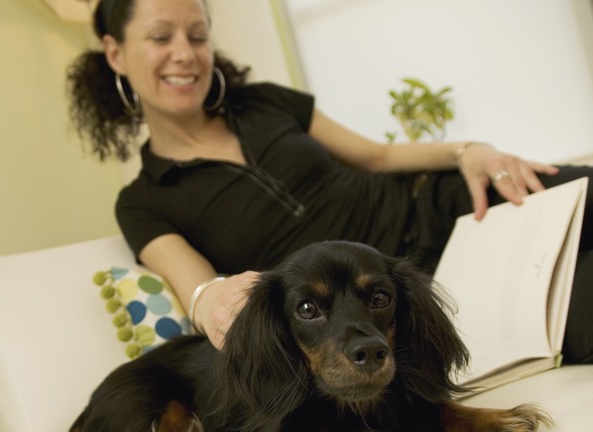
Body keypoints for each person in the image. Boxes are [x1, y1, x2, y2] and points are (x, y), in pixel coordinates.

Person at [67, 0, 593, 363]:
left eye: (198, 36)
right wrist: (210, 300)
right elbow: (200, 289)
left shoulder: (265, 101)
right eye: (161, 36)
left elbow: (380, 156)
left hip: (456, 204)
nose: (185, 53)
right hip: (401, 295)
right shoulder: (143, 201)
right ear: (115, 53)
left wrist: (468, 151)